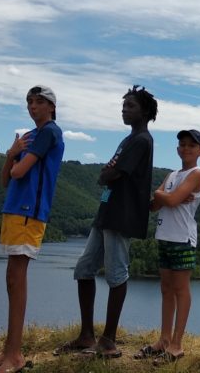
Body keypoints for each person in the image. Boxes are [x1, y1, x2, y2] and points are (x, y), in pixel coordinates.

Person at [58, 85, 156, 359]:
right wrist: (106, 173)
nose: (124, 110)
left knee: (116, 274)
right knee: (84, 269)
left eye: (131, 106)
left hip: (121, 216)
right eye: (123, 105)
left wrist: (106, 173)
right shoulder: (128, 140)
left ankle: (108, 341)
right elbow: (109, 173)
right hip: (106, 214)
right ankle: (86, 335)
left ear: (145, 111)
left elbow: (113, 174)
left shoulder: (141, 140)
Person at [0, 85, 65, 373]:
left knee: (16, 278)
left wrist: (14, 158)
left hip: (28, 212)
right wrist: (10, 153)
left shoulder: (49, 132)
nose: (33, 106)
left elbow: (18, 172)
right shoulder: (30, 137)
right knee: (12, 278)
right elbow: (5, 181)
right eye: (30, 102)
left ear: (51, 107)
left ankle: (15, 355)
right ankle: (9, 352)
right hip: (14, 208)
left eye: (39, 102)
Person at [134, 129, 200, 363]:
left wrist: (164, 194)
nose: (186, 148)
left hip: (183, 238)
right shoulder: (173, 174)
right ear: (177, 149)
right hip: (164, 235)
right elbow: (154, 205)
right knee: (166, 288)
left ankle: (177, 344)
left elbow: (171, 200)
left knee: (180, 289)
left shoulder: (197, 173)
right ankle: (164, 340)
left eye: (192, 146)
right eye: (182, 144)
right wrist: (165, 195)